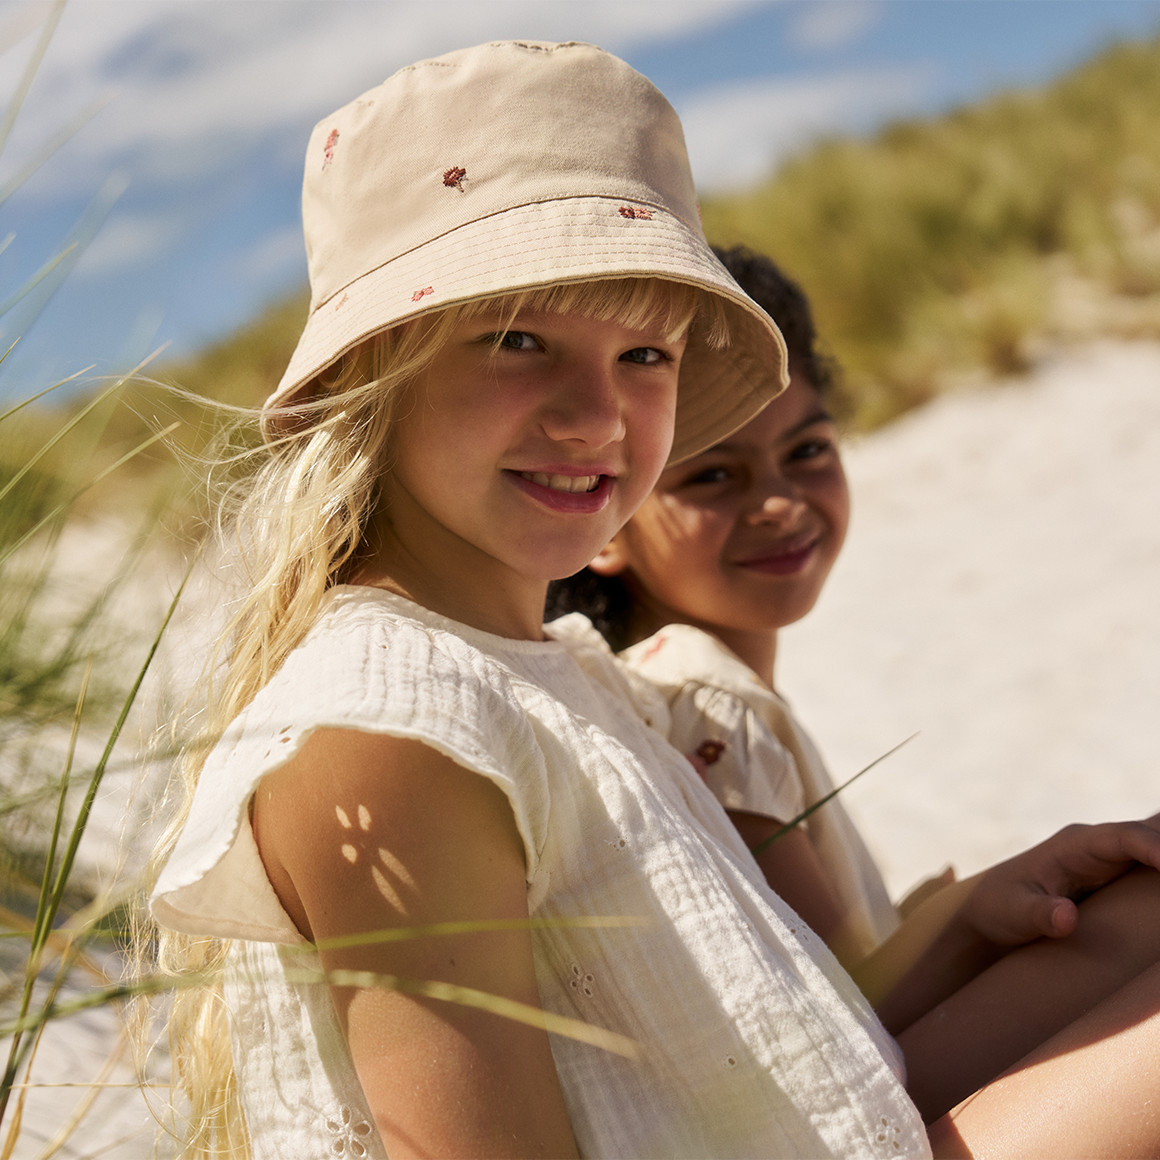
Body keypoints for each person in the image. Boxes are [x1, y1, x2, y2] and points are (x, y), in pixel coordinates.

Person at [144, 39, 1160, 1160]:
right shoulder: (389, 727)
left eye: (643, 352)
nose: (595, 417)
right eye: (516, 338)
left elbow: (781, 1066)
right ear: (365, 374)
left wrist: (964, 927)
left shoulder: (553, 671)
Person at [547, 244, 1160, 1136]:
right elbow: (840, 1028)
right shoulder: (697, 695)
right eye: (714, 475)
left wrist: (975, 904)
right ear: (606, 521)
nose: (781, 502)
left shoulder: (693, 689)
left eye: (807, 450)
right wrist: (969, 916)